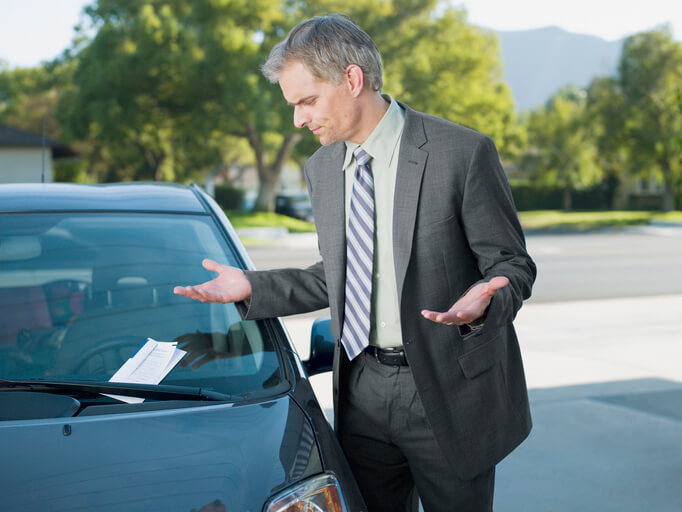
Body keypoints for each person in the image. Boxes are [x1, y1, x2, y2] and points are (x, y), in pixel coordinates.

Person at [175, 14, 536, 512]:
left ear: (352, 80)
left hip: (447, 393)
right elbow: (339, 275)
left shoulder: (461, 153)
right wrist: (251, 288)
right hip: (360, 392)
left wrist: (488, 299)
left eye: (306, 101)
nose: (298, 120)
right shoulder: (321, 168)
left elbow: (514, 264)